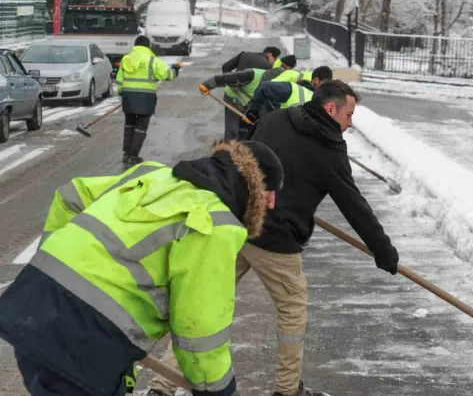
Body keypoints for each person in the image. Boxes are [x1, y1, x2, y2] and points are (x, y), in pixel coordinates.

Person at [148, 80, 399, 396]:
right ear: (330, 108)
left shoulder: (275, 119)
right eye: (349, 115)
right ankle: (287, 389)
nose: (350, 124)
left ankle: (162, 385)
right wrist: (384, 252)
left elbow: (243, 161)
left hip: (234, 226)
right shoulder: (330, 150)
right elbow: (354, 206)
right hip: (276, 241)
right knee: (292, 311)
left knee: (204, 303)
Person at [0, 139, 285, 396]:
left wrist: (53, 268)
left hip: (32, 308)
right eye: (271, 193)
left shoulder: (150, 174)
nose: (272, 204)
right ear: (255, 189)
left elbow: (71, 195)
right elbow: (199, 325)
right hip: (82, 341)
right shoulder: (216, 225)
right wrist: (216, 388)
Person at [116, 36, 182, 164]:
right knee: (141, 126)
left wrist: (122, 95)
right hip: (145, 98)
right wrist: (175, 68)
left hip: (129, 97)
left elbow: (119, 80)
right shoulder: (153, 60)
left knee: (129, 124)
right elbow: (166, 75)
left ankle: (126, 153)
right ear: (148, 46)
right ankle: (133, 154)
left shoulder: (126, 59)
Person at [199, 55, 298, 140]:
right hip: (234, 99)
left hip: (249, 103)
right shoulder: (252, 75)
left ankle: (242, 151)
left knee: (248, 130)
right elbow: (227, 78)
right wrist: (207, 84)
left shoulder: (275, 87)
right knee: (232, 130)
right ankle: (227, 153)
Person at [244, 66, 333, 122]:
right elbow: (265, 88)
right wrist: (254, 113)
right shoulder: (295, 88)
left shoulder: (322, 102)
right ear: (316, 81)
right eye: (325, 83)